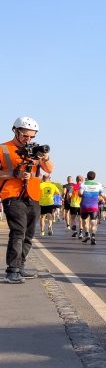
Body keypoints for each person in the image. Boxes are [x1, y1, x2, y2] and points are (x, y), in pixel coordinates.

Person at [0, 117, 54, 283]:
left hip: (33, 195)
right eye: (25, 135)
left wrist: (44, 157)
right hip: (12, 194)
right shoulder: (3, 149)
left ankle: (20, 266)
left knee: (29, 235)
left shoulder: (35, 150)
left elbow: (49, 169)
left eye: (32, 136)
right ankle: (12, 271)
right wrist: (16, 174)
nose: (28, 139)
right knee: (18, 232)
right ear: (16, 131)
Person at [79, 170, 103, 245]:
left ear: (87, 176)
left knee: (84, 220)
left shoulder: (83, 184)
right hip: (94, 206)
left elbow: (80, 194)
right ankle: (93, 236)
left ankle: (87, 234)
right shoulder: (98, 184)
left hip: (85, 205)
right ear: (94, 177)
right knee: (93, 221)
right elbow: (101, 194)